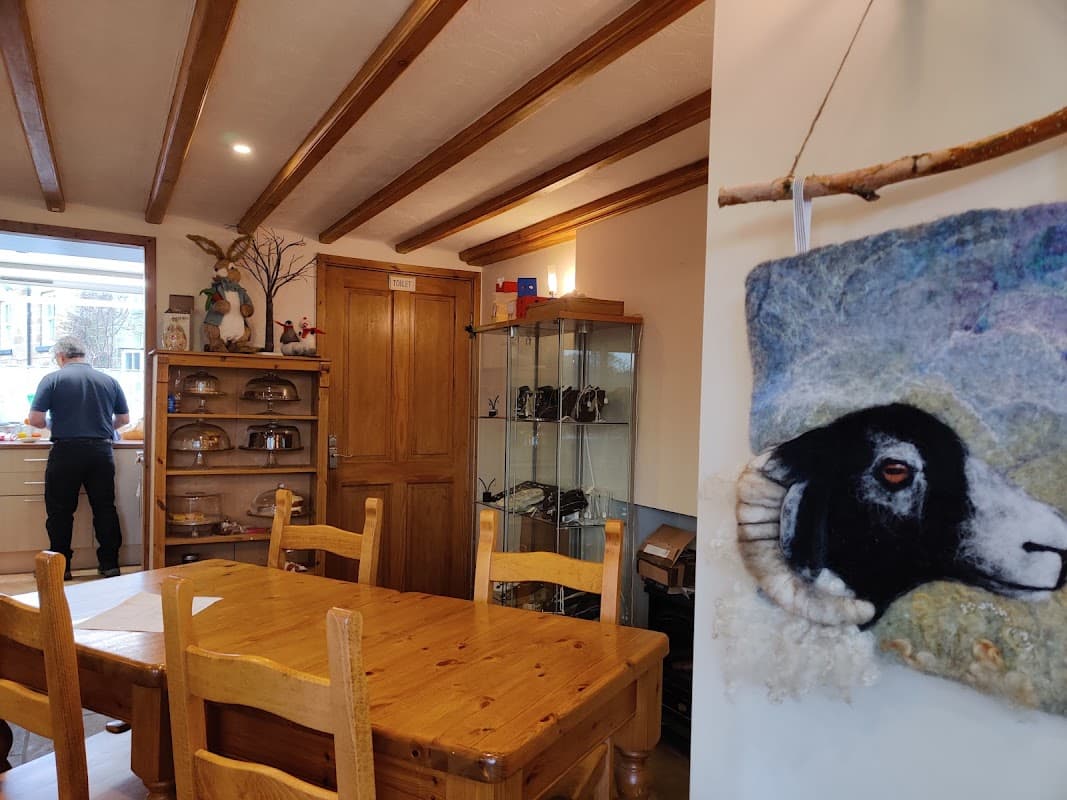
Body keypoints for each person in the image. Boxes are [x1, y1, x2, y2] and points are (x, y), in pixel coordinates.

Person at [28, 336, 129, 580]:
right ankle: (109, 565)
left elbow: (36, 420)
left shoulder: (52, 379)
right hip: (101, 452)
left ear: (60, 357)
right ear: (84, 355)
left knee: (60, 512)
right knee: (104, 508)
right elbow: (124, 419)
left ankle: (60, 568)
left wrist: (55, 424)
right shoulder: (109, 380)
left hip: (66, 452)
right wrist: (101, 426)